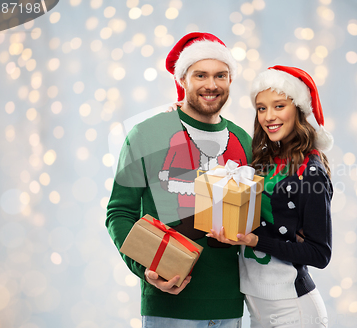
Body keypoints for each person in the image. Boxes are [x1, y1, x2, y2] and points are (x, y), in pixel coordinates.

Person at [106, 32, 252, 328]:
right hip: (168, 307)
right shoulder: (148, 134)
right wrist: (144, 266)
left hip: (229, 306)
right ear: (182, 79)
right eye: (201, 75)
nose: (211, 85)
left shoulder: (245, 141)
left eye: (220, 75)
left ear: (230, 81)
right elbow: (119, 213)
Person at [208, 66, 333, 328]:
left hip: (293, 309)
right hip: (257, 307)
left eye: (279, 106)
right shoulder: (263, 161)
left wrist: (256, 241)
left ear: (298, 109)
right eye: (261, 108)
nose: (268, 116)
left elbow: (320, 253)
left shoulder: (310, 173)